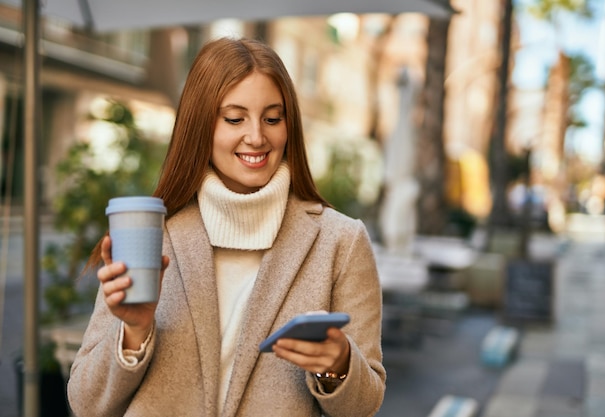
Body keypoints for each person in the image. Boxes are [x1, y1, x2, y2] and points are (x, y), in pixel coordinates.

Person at [67, 37, 386, 417]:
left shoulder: (340, 242)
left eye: (272, 118)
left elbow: (365, 404)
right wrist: (134, 333)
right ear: (201, 125)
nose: (256, 136)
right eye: (234, 118)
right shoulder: (151, 233)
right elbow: (85, 403)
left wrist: (339, 364)